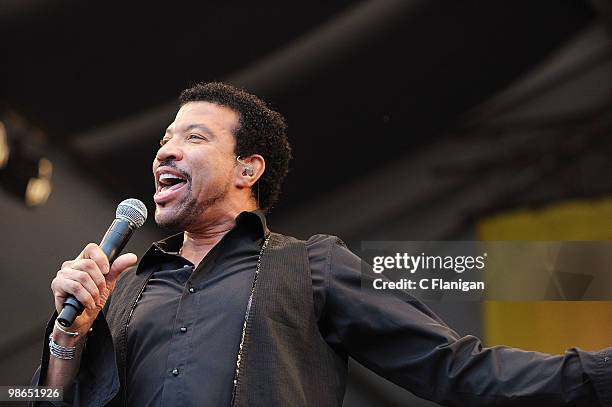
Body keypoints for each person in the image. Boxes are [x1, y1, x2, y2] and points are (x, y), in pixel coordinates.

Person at [33, 82, 611, 406]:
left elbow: (457, 368)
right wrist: (65, 339)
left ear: (247, 170)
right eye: (163, 139)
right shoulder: (123, 288)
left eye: (194, 137)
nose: (164, 150)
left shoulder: (313, 266)